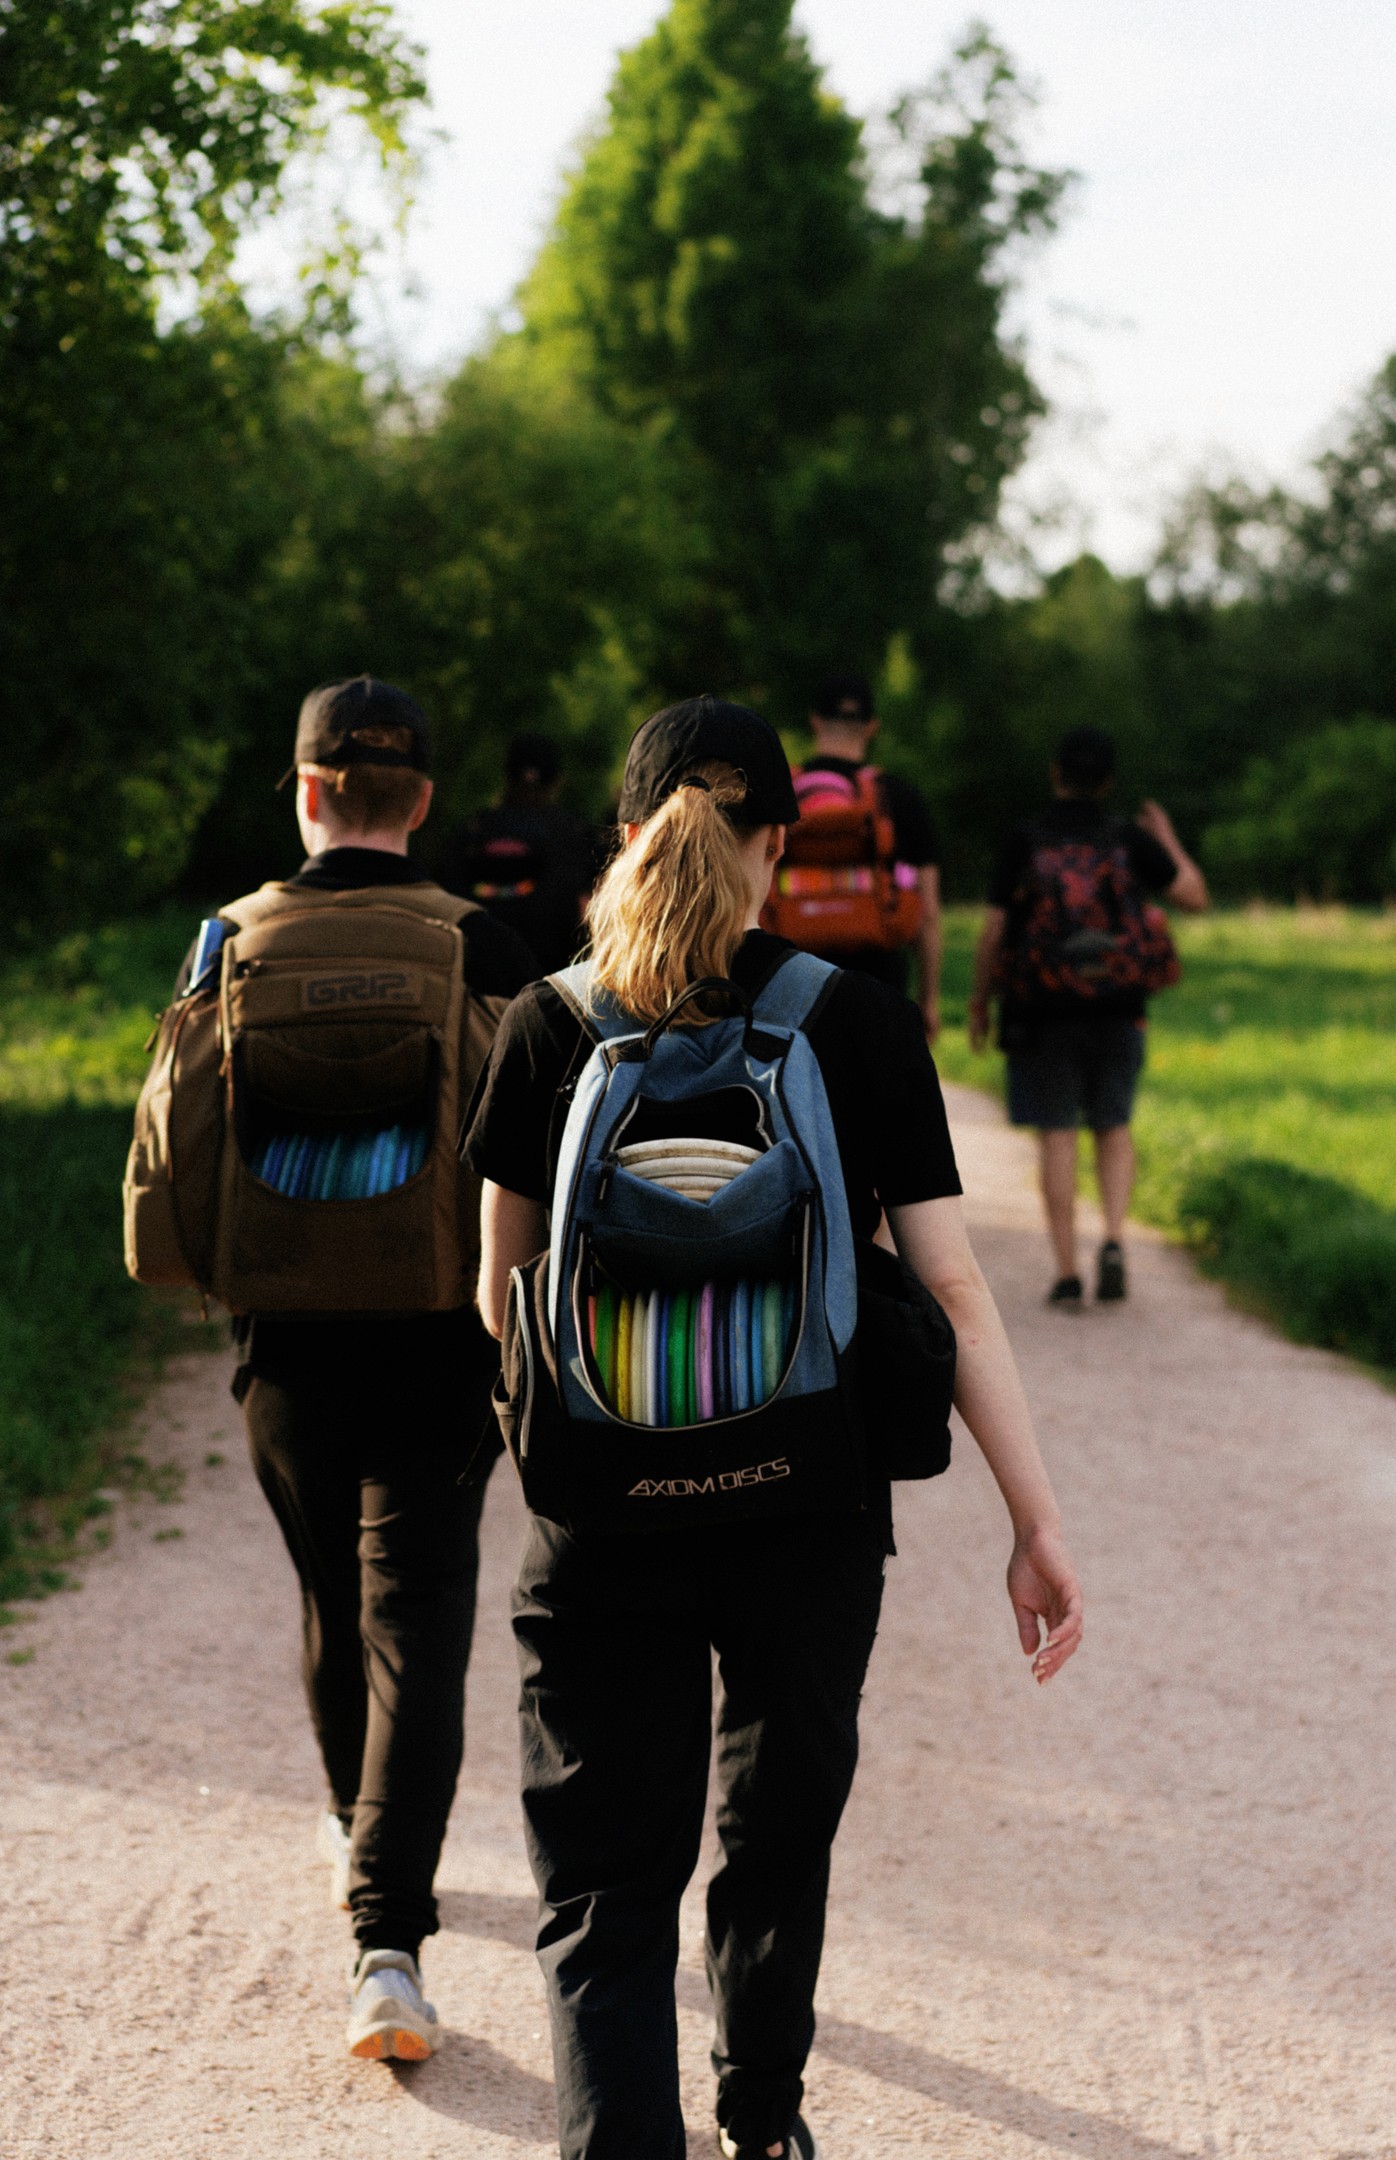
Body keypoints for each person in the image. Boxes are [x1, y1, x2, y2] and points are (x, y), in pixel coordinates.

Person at [464, 695, 1083, 2160]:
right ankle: (764, 2123)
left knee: (607, 1878)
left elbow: (493, 1298)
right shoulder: (851, 1020)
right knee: (775, 1833)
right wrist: (1033, 1522)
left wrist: (594, 1439)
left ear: (623, 839)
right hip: (807, 1499)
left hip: (599, 1516)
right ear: (781, 846)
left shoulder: (547, 1022)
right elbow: (953, 1294)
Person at [178, 676, 536, 2059]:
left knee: (331, 1592)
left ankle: (352, 1833)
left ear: (309, 790)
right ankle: (388, 1945)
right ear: (424, 800)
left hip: (281, 1334)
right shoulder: (483, 940)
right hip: (444, 1333)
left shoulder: (230, 938)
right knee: (423, 1620)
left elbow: (177, 1148)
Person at [968, 724, 1209, 1306]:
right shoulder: (1128, 838)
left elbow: (996, 928)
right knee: (1113, 1122)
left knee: (1057, 1134)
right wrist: (1168, 839)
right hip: (1119, 1005)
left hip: (1042, 1009)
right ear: (1108, 781)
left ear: (1056, 774)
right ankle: (1116, 1238)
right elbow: (1193, 896)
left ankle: (1068, 1271)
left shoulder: (1025, 840)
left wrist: (980, 999)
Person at [792, 671, 943, 1039]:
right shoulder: (899, 797)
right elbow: (928, 912)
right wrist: (929, 1000)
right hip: (880, 982)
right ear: (872, 726)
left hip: (792, 981)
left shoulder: (783, 792)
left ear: (815, 720)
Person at [438, 729, 604, 976]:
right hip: (554, 984)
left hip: (477, 981)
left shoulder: (471, 832)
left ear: (506, 776)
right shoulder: (578, 835)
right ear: (558, 781)